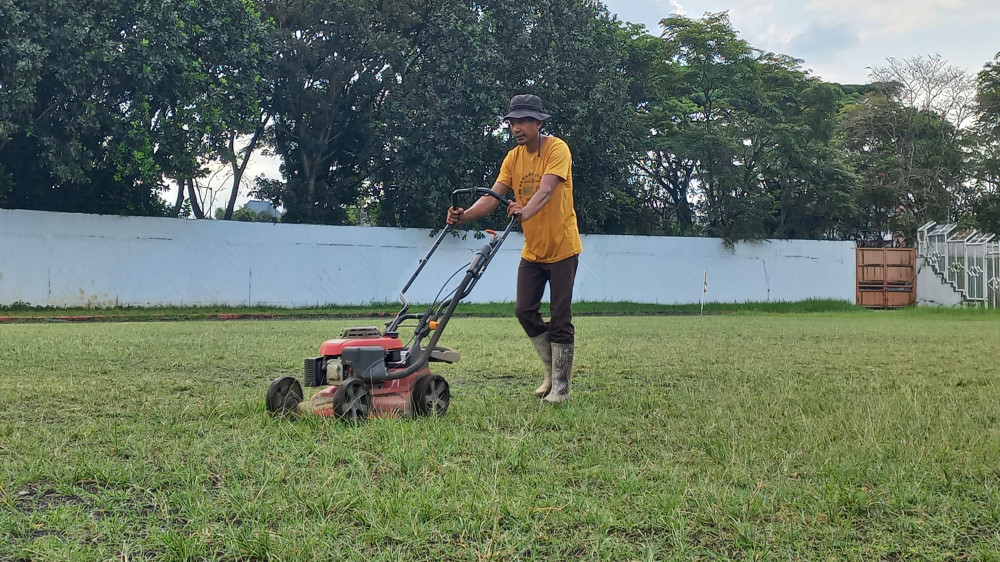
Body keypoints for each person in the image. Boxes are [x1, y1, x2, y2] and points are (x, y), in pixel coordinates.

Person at [446, 94, 582, 403]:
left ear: (538, 123)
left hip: (562, 246)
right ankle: (551, 372)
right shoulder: (513, 157)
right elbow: (493, 196)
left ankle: (561, 387)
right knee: (524, 310)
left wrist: (525, 212)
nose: (516, 127)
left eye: (522, 121)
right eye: (512, 122)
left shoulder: (557, 149)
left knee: (560, 316)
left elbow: (547, 190)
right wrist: (463, 216)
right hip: (533, 250)